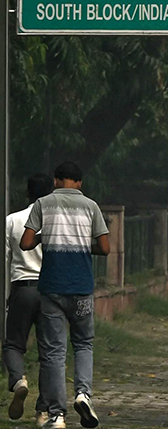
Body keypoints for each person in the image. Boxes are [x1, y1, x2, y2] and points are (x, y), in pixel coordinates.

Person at [20, 162, 108, 429]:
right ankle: (83, 394)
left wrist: (43, 239)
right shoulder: (91, 206)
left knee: (54, 352)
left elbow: (25, 242)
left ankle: (57, 415)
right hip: (81, 288)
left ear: (56, 180)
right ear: (79, 183)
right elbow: (104, 247)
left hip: (51, 289)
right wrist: (81, 246)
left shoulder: (43, 204)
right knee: (83, 344)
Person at [5, 174, 54, 426]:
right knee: (48, 353)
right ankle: (43, 411)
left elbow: (5, 260)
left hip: (21, 288)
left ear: (27, 193)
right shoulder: (56, 220)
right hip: (49, 292)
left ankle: (18, 380)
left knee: (13, 344)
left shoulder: (12, 220)